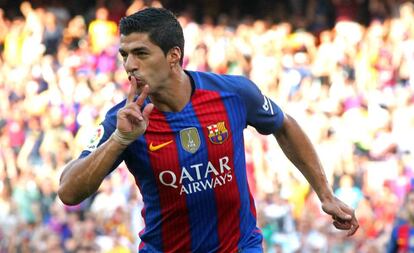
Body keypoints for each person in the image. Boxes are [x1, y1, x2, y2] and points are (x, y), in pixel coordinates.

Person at [58, 7, 359, 252]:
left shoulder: (233, 94)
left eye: (141, 53)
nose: (130, 65)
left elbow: (284, 125)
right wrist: (120, 140)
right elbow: (68, 192)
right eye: (124, 55)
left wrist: (325, 194)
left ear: (173, 55)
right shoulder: (123, 120)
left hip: (240, 247)